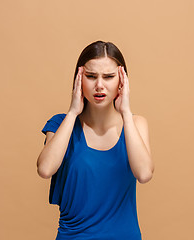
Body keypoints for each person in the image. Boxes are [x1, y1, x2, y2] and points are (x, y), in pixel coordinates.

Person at [37, 40, 154, 240]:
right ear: (79, 79)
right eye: (91, 76)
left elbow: (144, 174)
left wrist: (125, 111)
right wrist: (73, 112)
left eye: (108, 77)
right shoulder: (61, 124)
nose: (99, 85)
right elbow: (45, 169)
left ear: (122, 80)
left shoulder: (135, 124)